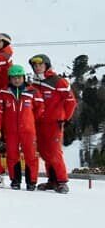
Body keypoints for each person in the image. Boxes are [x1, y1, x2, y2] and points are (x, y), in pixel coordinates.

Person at [28, 54, 75, 193]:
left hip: (54, 123)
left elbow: (71, 101)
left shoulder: (58, 81)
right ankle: (52, 180)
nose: (38, 67)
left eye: (40, 65)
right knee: (44, 152)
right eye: (35, 65)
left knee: (54, 152)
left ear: (47, 65)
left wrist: (65, 118)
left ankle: (62, 181)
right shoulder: (34, 83)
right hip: (39, 123)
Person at [0, 65, 42, 190]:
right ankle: (15, 180)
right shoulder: (3, 92)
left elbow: (39, 109)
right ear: (9, 79)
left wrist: (30, 121)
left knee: (31, 155)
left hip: (28, 130)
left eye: (19, 77)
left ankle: (31, 181)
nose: (16, 80)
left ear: (24, 78)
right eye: (14, 78)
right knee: (12, 155)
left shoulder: (33, 92)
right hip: (10, 130)